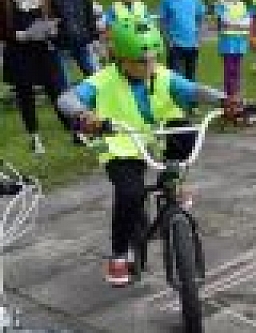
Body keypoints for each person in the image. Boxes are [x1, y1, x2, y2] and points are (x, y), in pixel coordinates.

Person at [57, 18, 239, 286]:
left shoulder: (163, 75)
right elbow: (66, 98)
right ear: (120, 58)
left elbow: (193, 90)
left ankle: (173, 179)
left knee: (185, 130)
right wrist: (84, 115)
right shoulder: (103, 79)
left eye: (153, 59)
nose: (149, 66)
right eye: (141, 61)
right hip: (120, 144)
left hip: (156, 139)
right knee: (129, 194)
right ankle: (120, 254)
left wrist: (225, 100)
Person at [0, 0, 70, 154]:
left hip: (44, 50)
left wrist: (53, 28)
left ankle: (73, 129)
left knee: (57, 90)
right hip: (19, 54)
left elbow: (56, 16)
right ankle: (35, 137)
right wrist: (17, 35)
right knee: (25, 95)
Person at [159, 0, 206, 81]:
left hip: (192, 45)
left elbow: (200, 19)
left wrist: (199, 39)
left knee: (191, 77)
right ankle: (175, 100)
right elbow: (163, 23)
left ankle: (189, 99)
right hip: (176, 46)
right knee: (176, 78)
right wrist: (168, 41)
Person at [214, 0, 250, 105]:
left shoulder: (242, 4)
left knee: (238, 71)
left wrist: (237, 23)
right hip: (227, 42)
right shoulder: (220, 3)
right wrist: (239, 23)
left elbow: (247, 23)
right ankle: (230, 97)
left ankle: (237, 97)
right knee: (229, 71)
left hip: (240, 41)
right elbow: (224, 21)